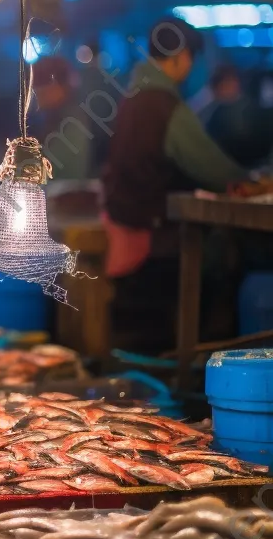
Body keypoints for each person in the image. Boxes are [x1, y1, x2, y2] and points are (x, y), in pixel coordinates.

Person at [102, 18, 248, 347]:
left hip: (129, 229)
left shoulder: (132, 97)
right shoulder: (164, 105)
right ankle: (198, 363)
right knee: (226, 265)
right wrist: (251, 181)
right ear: (181, 56)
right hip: (157, 242)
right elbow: (214, 168)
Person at [198, 64, 273, 170]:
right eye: (225, 85)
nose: (231, 87)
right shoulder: (212, 113)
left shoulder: (252, 109)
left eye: (232, 83)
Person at [31, 56, 95, 181]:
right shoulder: (50, 118)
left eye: (41, 91)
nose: (37, 97)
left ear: (61, 87)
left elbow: (53, 170)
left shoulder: (73, 123)